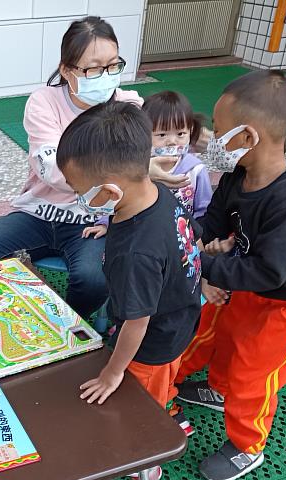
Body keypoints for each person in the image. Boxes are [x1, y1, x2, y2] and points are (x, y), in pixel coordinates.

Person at [0, 16, 183, 320]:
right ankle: (14, 311)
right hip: (38, 212)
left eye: (113, 66)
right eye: (92, 68)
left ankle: (66, 322)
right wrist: (130, 168)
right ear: (66, 69)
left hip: (94, 218)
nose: (104, 76)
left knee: (93, 279)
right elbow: (49, 167)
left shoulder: (129, 107)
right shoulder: (44, 102)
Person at [175, 70, 286, 480]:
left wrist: (202, 263)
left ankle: (248, 445)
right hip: (246, 280)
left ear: (249, 138)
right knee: (226, 338)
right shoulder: (237, 176)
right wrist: (204, 243)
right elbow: (214, 219)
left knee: (255, 371)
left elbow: (269, 270)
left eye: (222, 131)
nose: (213, 139)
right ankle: (219, 389)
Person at [56, 101, 203, 438]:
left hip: (153, 342)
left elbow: (137, 322)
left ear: (110, 191)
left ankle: (148, 456)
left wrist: (112, 372)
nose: (77, 197)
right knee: (164, 378)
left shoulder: (135, 254)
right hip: (180, 317)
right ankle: (169, 400)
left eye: (79, 191)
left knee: (143, 403)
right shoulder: (156, 193)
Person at [143, 91, 212, 218]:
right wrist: (105, 223)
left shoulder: (196, 170)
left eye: (180, 134)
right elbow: (120, 198)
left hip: (184, 234)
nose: (172, 142)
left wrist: (196, 233)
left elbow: (204, 209)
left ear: (190, 131)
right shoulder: (137, 167)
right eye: (162, 135)